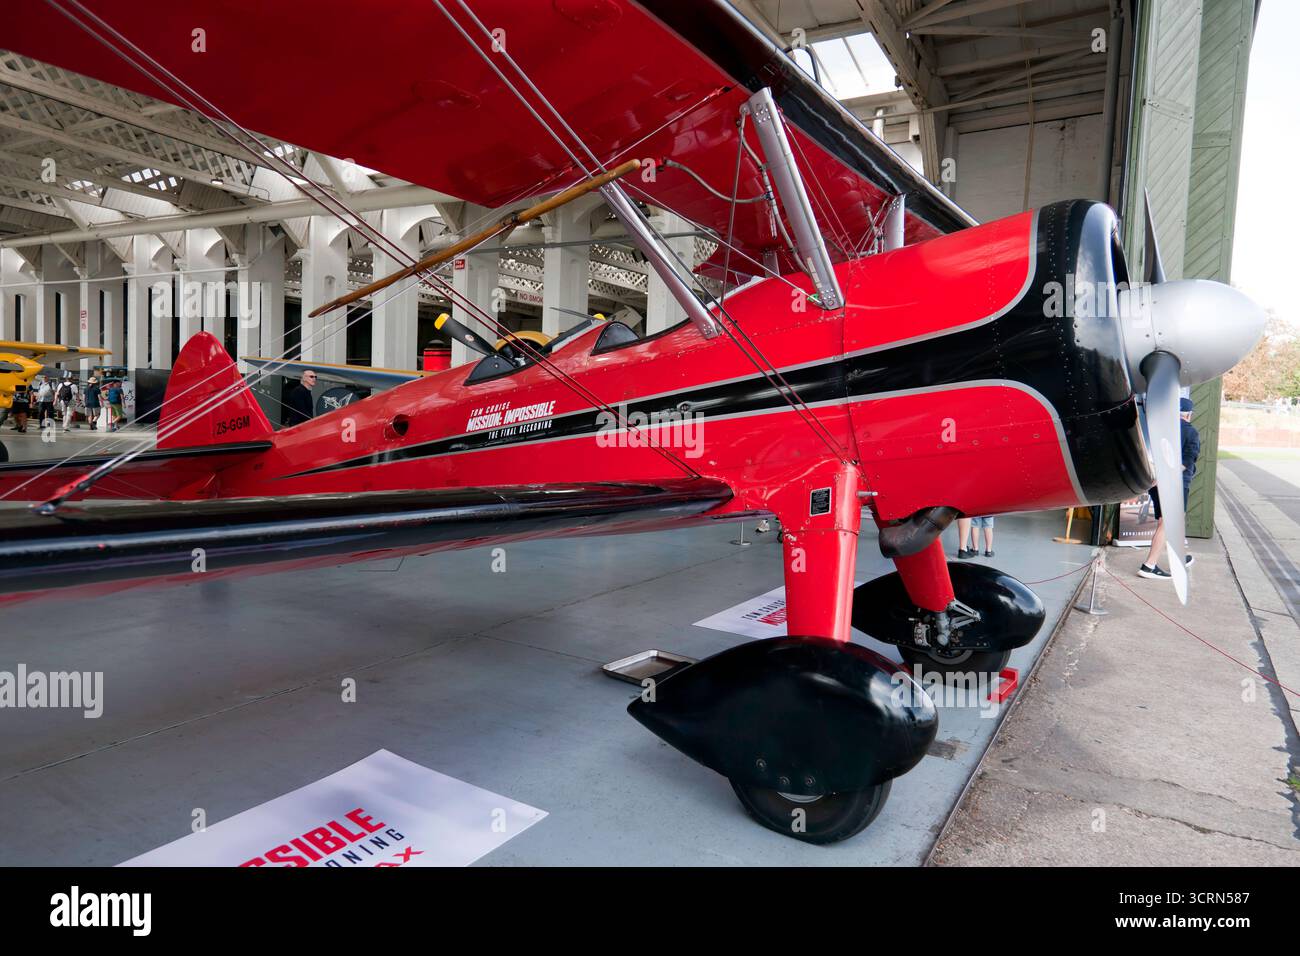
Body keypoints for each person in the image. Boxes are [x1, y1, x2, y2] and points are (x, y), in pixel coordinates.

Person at [1138, 397, 1201, 580]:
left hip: (1156, 483)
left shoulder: (1162, 430)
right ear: (1188, 415)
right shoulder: (1191, 433)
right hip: (1174, 484)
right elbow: (1185, 463)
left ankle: (1179, 557)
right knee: (1167, 524)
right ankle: (1149, 566)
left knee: (1167, 522)